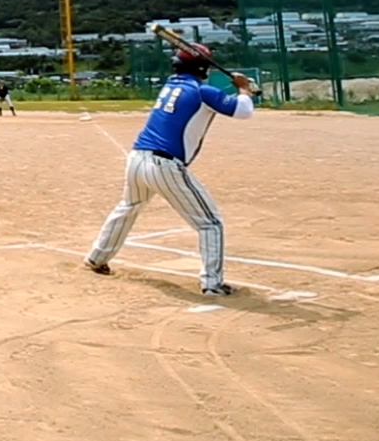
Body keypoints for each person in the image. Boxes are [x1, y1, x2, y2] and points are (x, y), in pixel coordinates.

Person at [83, 44, 256, 296]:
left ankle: (97, 257)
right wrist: (243, 88)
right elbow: (243, 111)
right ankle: (212, 283)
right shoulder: (202, 91)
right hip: (164, 165)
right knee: (210, 223)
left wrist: (241, 90)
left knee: (129, 207)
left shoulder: (171, 86)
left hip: (137, 159)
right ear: (202, 68)